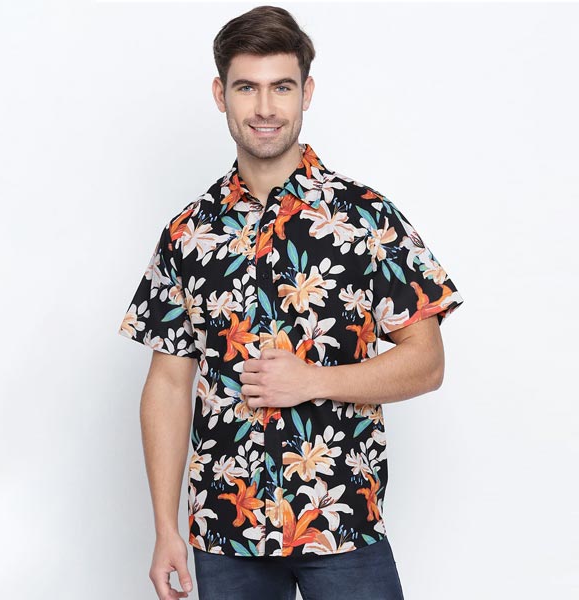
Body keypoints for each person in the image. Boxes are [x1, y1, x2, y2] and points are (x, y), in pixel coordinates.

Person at [118, 5, 464, 599]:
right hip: (225, 531)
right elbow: (168, 384)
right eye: (246, 87)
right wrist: (165, 529)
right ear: (220, 95)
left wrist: (313, 380)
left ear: (306, 92)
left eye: (281, 87)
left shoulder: (365, 219)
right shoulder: (187, 234)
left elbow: (427, 362)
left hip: (342, 522)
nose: (264, 107)